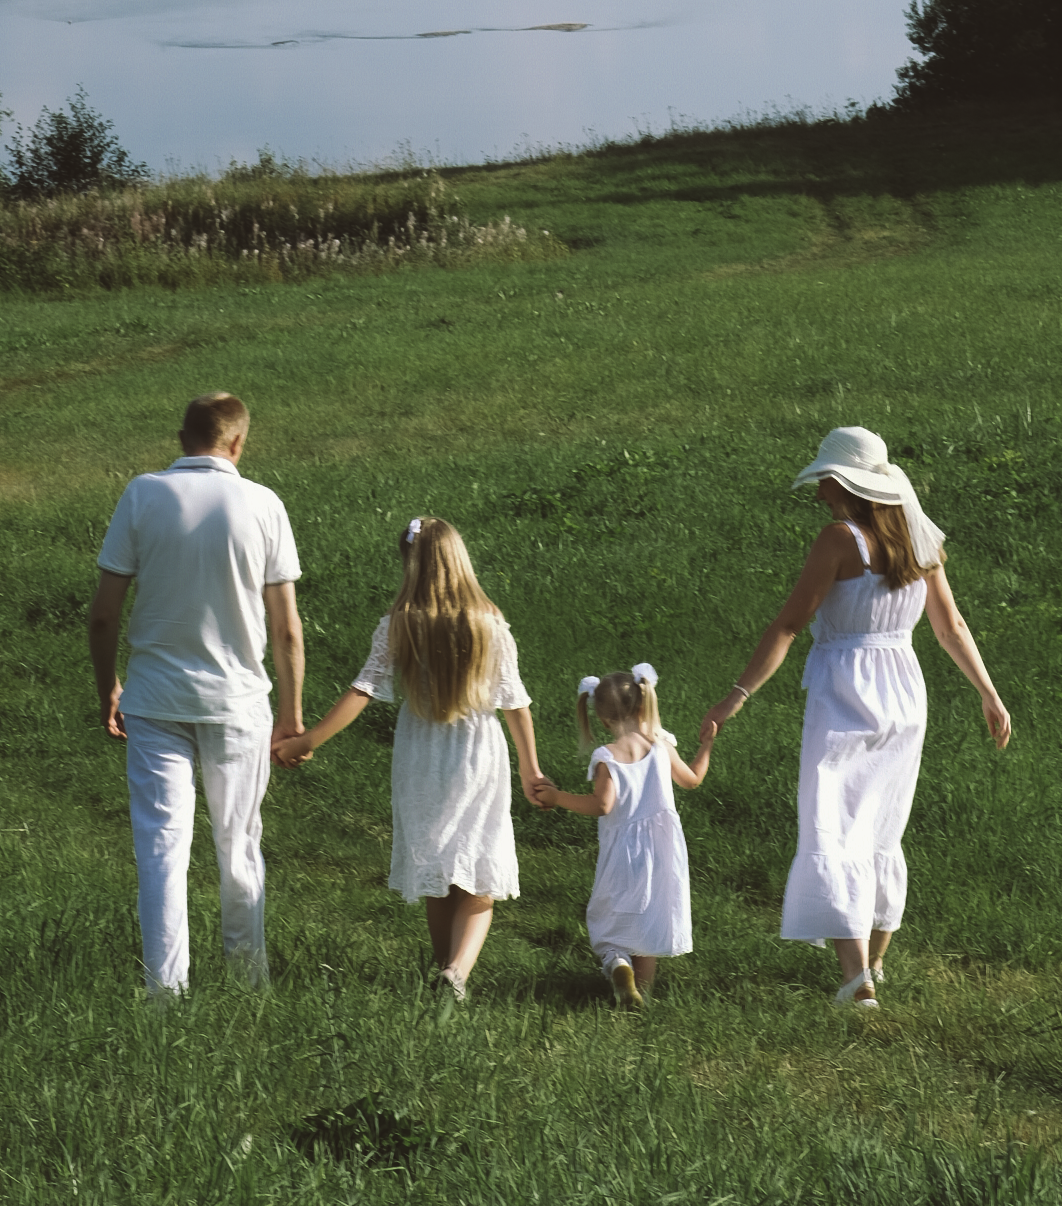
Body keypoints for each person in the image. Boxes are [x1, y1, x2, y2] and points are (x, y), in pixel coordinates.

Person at [699, 425, 1010, 1013]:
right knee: (882, 828)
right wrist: (989, 694)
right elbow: (950, 628)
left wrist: (734, 696)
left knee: (833, 825)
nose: (819, 493)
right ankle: (878, 962)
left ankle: (855, 978)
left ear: (845, 485)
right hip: (904, 693)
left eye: (825, 482)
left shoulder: (839, 540)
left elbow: (788, 625)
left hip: (845, 688)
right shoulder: (922, 543)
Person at [272, 515, 542, 1005]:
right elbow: (514, 702)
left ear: (410, 566)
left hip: (421, 755)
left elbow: (362, 691)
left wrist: (308, 739)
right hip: (477, 754)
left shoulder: (399, 624)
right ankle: (457, 974)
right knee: (480, 874)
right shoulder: (489, 622)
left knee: (437, 868)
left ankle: (443, 972)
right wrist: (531, 768)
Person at [87, 390, 304, 997]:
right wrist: (290, 715)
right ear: (238, 443)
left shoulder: (143, 494)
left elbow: (104, 615)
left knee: (162, 850)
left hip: (154, 700)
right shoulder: (263, 504)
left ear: (182, 438)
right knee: (239, 847)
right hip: (238, 704)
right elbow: (286, 626)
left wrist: (109, 688)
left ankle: (166, 994)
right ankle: (247, 986)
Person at [532, 660, 715, 1008]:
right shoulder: (661, 745)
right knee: (650, 916)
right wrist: (705, 745)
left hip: (622, 851)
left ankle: (616, 961)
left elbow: (602, 805)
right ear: (642, 703)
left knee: (609, 915)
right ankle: (639, 994)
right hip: (662, 850)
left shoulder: (607, 757)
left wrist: (557, 798)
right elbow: (692, 779)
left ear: (601, 719)